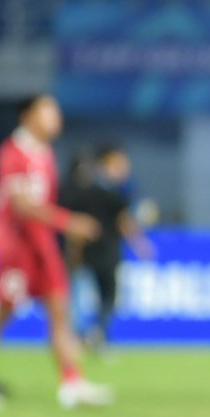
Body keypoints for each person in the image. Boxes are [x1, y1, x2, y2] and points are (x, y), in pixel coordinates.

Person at [0, 95, 112, 410]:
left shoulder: (44, 153)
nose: (55, 118)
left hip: (43, 244)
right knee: (2, 312)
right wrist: (68, 223)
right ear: (28, 116)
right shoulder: (12, 153)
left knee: (60, 310)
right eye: (48, 111)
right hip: (17, 246)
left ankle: (72, 381)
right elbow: (20, 205)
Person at [62, 142, 154, 353]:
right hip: (107, 252)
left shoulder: (86, 188)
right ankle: (94, 334)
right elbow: (123, 221)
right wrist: (140, 244)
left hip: (87, 252)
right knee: (107, 297)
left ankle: (85, 336)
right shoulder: (113, 192)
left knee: (84, 296)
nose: (124, 167)